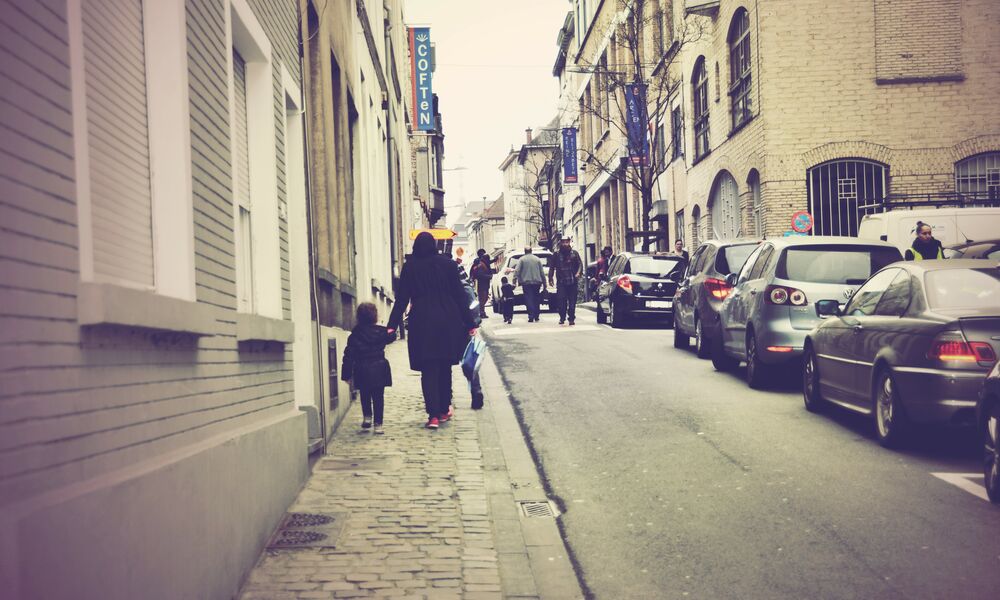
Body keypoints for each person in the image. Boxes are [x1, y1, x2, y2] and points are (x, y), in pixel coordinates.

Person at [387, 232, 477, 429]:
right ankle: (444, 409)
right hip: (448, 321)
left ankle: (433, 415)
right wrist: (470, 324)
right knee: (444, 367)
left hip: (422, 322)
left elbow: (402, 299)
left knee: (428, 369)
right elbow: (460, 296)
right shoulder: (448, 265)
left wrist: (391, 325)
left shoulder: (411, 267)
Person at [341, 302, 394, 435]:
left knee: (364, 394)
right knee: (378, 397)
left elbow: (348, 355)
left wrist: (346, 375)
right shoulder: (381, 332)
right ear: (375, 316)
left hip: (362, 368)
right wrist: (391, 327)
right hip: (379, 368)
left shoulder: (355, 335)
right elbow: (392, 336)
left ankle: (367, 417)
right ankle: (378, 424)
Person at [548, 236, 583, 326]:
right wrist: (550, 278)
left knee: (572, 302)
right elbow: (552, 267)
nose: (565, 244)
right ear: (560, 243)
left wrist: (578, 273)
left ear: (569, 242)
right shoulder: (556, 254)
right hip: (561, 282)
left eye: (566, 242)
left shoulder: (574, 253)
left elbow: (580, 264)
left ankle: (571, 318)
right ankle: (562, 317)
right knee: (561, 302)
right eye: (563, 242)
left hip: (572, 282)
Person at [513, 246, 546, 322]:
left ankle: (531, 316)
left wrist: (514, 281)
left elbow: (517, 271)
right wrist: (544, 284)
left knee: (529, 299)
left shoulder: (521, 259)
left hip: (526, 283)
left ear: (525, 251)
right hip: (537, 283)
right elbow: (542, 273)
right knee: (536, 299)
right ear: (531, 251)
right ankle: (536, 316)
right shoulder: (537, 259)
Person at [469, 248, 493, 318]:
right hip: (482, 284)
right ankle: (481, 313)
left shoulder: (483, 263)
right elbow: (480, 275)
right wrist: (489, 276)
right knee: (483, 299)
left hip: (483, 284)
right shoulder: (481, 264)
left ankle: (482, 312)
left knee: (484, 298)